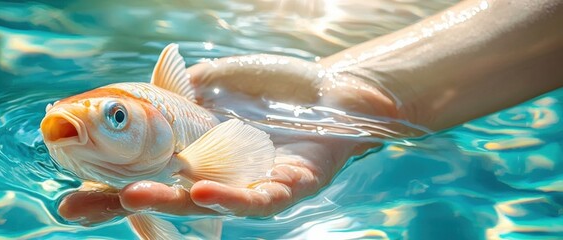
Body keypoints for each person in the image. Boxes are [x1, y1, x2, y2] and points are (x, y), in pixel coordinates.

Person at [57, 0, 563, 224]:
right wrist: (364, 94)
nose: (81, 124)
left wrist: (355, 96)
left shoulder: (190, 145)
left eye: (117, 116)